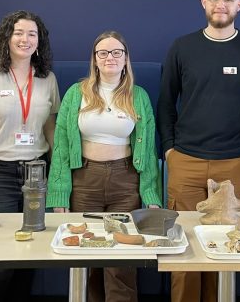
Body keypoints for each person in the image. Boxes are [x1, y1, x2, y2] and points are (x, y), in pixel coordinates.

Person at [158, 0, 240, 302]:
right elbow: (166, 102)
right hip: (185, 162)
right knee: (183, 250)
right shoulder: (182, 47)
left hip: (234, 163)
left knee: (225, 249)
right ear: (203, 2)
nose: (221, 4)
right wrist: (169, 150)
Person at [48, 30, 161, 302]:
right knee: (87, 255)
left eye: (116, 52)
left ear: (125, 59)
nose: (110, 57)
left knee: (121, 259)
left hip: (125, 182)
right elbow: (61, 146)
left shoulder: (139, 96)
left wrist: (151, 195)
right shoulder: (77, 94)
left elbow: (147, 151)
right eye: (103, 53)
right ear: (95, 59)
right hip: (85, 181)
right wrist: (60, 193)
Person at [0, 10, 60, 301]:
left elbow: (51, 128)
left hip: (37, 170)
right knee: (4, 254)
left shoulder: (47, 78)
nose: (25, 39)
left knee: (32, 250)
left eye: (32, 34)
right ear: (6, 38)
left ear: (39, 41)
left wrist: (58, 175)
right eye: (18, 32)